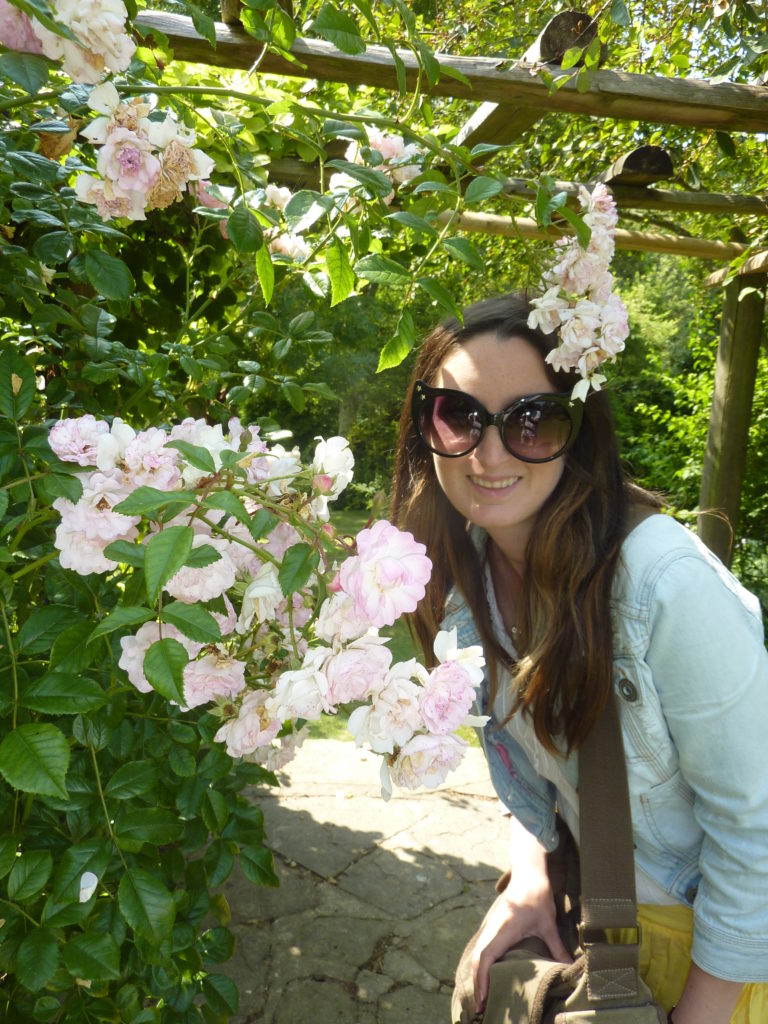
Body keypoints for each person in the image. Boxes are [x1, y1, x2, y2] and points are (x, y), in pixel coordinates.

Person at [390, 292, 768, 1024]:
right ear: (423, 427)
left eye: (533, 420)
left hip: (719, 961)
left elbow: (758, 830)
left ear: (578, 430)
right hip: (600, 925)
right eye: (459, 417)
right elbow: (539, 769)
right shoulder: (465, 577)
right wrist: (531, 877)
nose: (490, 454)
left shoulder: (663, 582)